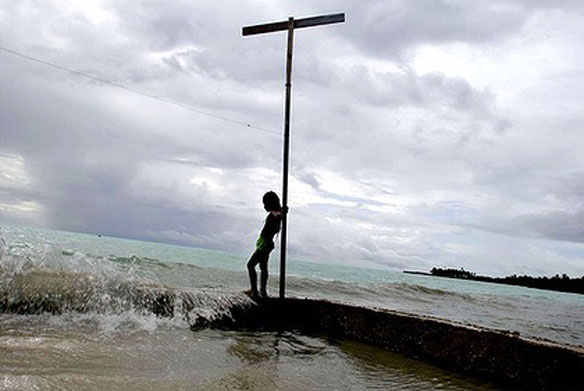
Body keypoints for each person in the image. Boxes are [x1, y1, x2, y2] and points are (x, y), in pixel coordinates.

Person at [246, 191, 282, 299]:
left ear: (270, 203)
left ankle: (255, 291)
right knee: (263, 267)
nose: (264, 206)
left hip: (266, 244)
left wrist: (282, 211)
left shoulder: (276, 214)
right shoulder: (275, 213)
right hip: (266, 243)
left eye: (265, 203)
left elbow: (278, 215)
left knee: (250, 265)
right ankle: (262, 291)